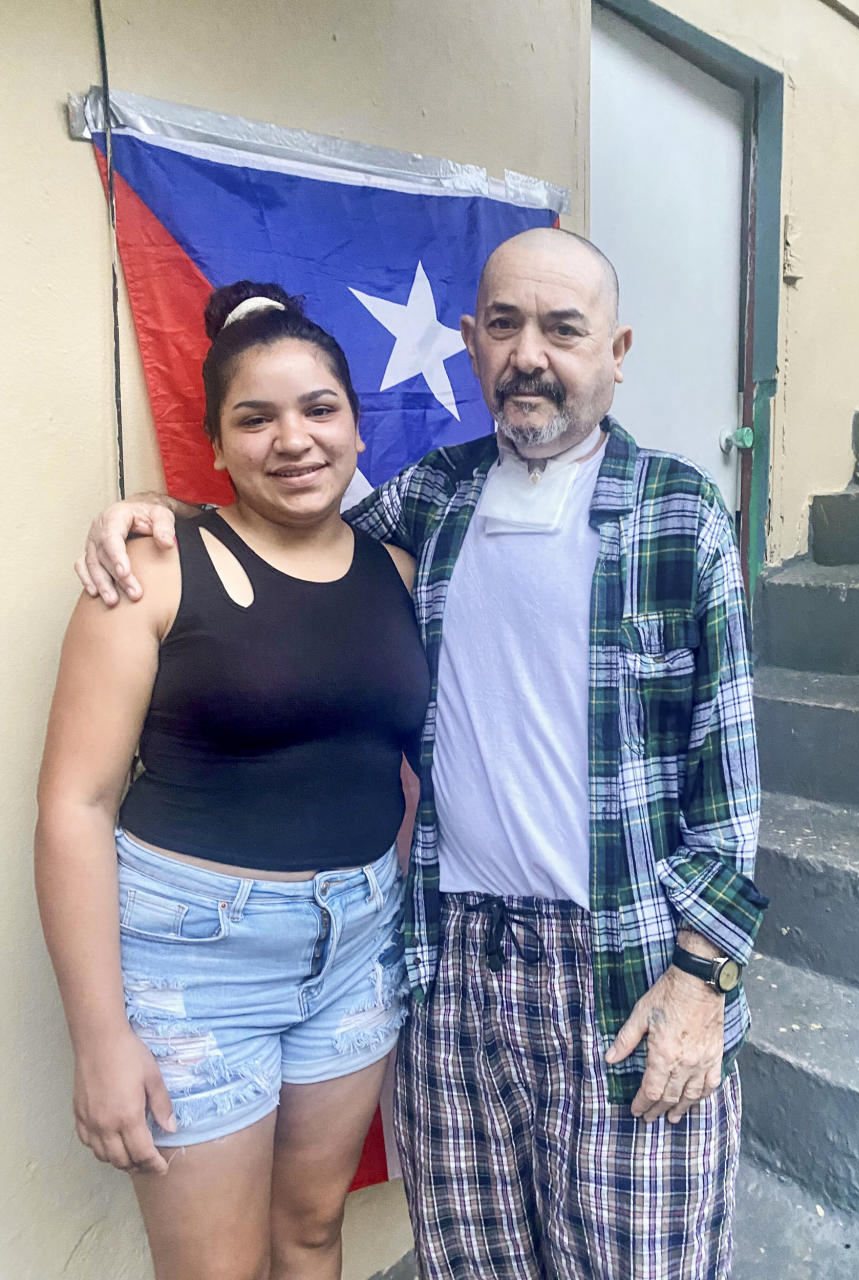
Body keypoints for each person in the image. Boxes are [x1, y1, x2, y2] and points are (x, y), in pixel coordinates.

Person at [77, 229, 766, 1280]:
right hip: (450, 967)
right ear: (470, 341)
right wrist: (166, 516)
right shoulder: (433, 497)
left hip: (624, 967)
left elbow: (731, 775)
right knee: (472, 1258)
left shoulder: (682, 515)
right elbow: (290, 527)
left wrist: (702, 979)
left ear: (616, 350)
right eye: (504, 325)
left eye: (563, 329)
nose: (529, 353)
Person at [38, 281, 430, 1280]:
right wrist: (99, 1038)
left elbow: (406, 757)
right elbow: (74, 806)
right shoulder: (154, 567)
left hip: (356, 948)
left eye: (319, 409)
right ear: (215, 443)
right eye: (254, 417)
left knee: (311, 1232)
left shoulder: (399, 568)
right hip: (194, 963)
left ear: (355, 423)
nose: (292, 439)